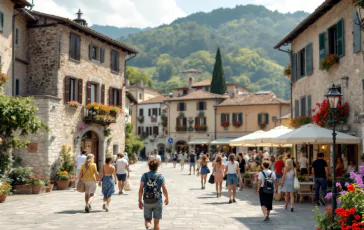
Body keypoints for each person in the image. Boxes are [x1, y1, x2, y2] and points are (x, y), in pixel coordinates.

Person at [139, 159, 169, 230]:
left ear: (149, 166)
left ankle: (148, 227)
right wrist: (167, 198)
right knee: (156, 222)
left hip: (147, 200)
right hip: (157, 200)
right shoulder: (160, 176)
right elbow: (164, 189)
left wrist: (139, 200)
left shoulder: (144, 175)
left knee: (147, 219)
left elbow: (141, 189)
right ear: (157, 166)